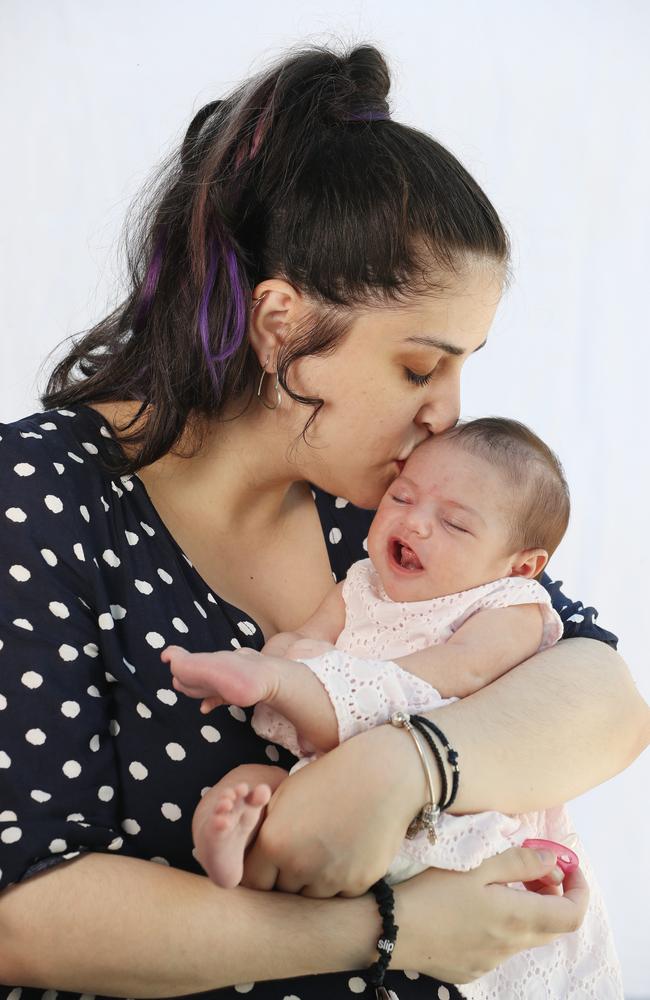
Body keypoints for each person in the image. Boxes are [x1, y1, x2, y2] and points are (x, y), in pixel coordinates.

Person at [0, 42, 646, 1000]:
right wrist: (391, 930)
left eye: (464, 367)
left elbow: (597, 689)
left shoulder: (385, 506)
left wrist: (406, 764)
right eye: (421, 368)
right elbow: (28, 914)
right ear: (281, 324)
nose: (448, 414)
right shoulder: (40, 496)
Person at [165, 416, 624, 997]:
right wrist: (278, 660)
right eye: (401, 497)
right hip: (337, 778)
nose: (414, 521)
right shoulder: (360, 583)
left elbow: (460, 673)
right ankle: (228, 838)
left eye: (455, 523)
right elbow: (298, 641)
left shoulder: (510, 603)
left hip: (452, 801)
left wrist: (309, 679)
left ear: (521, 563)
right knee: (254, 781)